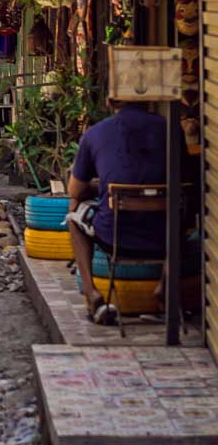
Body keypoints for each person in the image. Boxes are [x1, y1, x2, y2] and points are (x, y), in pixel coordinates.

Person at [66, 100, 166, 326]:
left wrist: (103, 186)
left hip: (113, 238)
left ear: (110, 101)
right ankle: (165, 286)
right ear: (149, 99)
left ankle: (92, 295)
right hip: (165, 240)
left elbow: (75, 190)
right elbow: (186, 178)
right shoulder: (169, 129)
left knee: (73, 213)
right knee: (182, 208)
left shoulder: (96, 133)